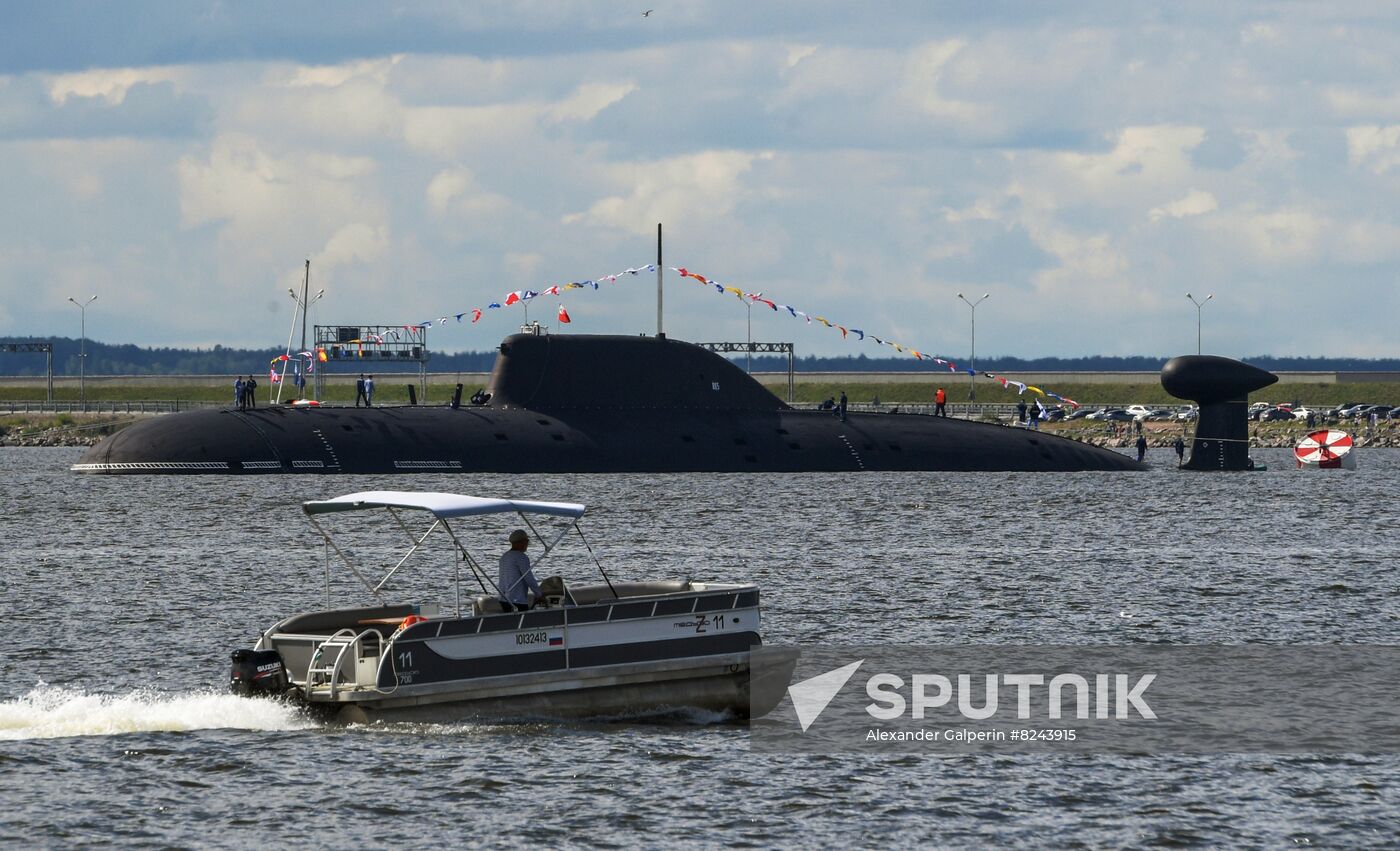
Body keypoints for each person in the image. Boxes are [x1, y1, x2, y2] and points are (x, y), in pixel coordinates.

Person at [498, 529, 541, 611]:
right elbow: (529, 578)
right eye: (526, 541)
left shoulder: (504, 556)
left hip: (503, 599)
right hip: (517, 600)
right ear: (520, 542)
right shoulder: (521, 557)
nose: (527, 544)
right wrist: (539, 594)